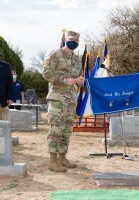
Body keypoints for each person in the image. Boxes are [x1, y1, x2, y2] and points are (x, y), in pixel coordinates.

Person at [42, 30, 84, 172]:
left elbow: (79, 78)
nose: (74, 42)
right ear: (66, 39)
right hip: (58, 98)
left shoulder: (77, 59)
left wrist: (79, 81)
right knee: (56, 129)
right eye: (72, 39)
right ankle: (52, 161)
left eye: (77, 41)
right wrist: (65, 80)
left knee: (67, 130)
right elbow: (46, 72)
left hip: (71, 99)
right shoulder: (55, 54)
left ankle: (62, 157)